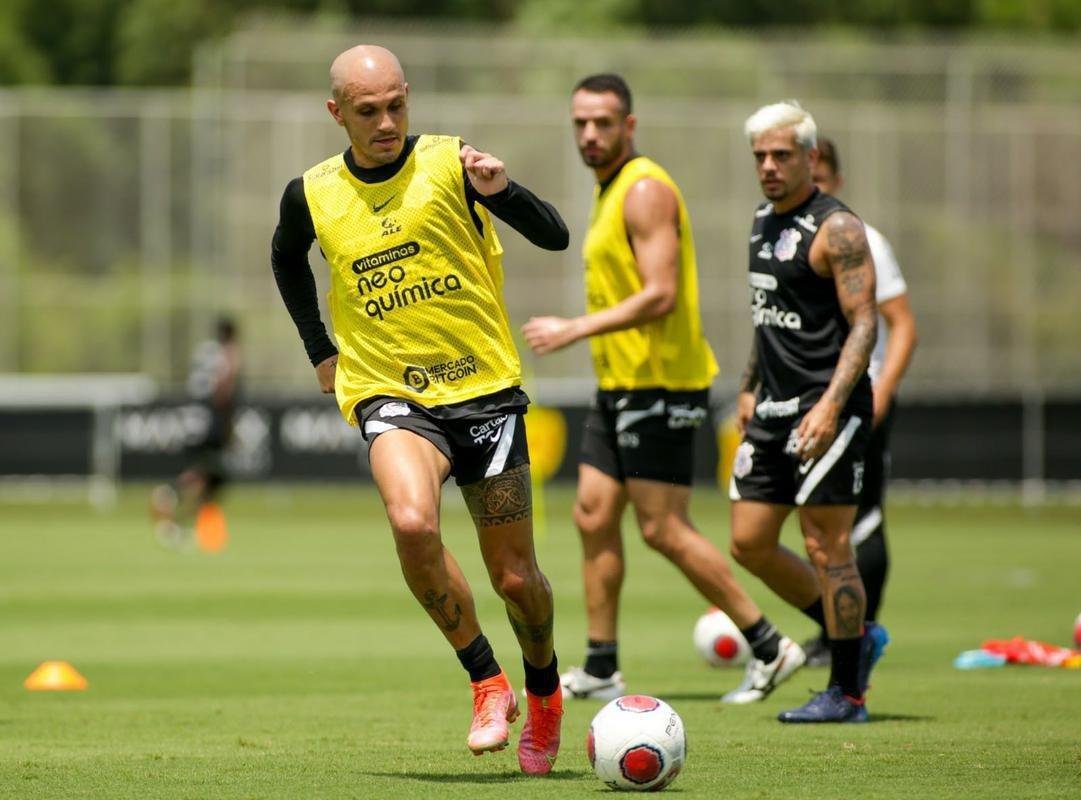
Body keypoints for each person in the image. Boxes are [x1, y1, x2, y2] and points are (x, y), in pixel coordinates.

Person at [269, 45, 568, 774]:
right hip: (390, 392)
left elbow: (554, 235)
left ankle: (545, 689)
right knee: (410, 522)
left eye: (396, 104)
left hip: (485, 392)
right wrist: (321, 350)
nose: (386, 122)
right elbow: (285, 259)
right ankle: (486, 681)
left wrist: (504, 192)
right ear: (336, 113)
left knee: (517, 579)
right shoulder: (310, 193)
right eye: (367, 111)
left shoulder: (450, 164)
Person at [521, 74, 805, 706]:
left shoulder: (644, 189)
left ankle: (769, 644)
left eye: (603, 122)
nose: (590, 135)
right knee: (592, 514)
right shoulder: (610, 189)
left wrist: (575, 328)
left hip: (663, 382)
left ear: (630, 125)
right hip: (620, 384)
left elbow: (661, 294)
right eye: (581, 123)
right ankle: (600, 665)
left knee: (663, 529)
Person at [728, 100, 889, 723]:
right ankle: (857, 634)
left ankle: (847, 691)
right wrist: (747, 383)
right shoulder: (761, 221)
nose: (768, 167)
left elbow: (865, 322)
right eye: (760, 156)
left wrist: (829, 407)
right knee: (749, 543)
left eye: (781, 155)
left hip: (830, 408)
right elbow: (767, 316)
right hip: (771, 407)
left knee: (827, 546)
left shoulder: (839, 229)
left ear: (811, 157)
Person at [801, 137, 919, 667]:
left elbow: (903, 325)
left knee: (859, 519)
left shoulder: (863, 238)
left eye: (822, 174)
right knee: (813, 524)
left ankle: (859, 633)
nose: (816, 185)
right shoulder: (785, 236)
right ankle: (835, 632)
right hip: (804, 399)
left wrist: (883, 393)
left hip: (854, 400)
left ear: (836, 180)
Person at [150, 315, 240, 552]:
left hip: (193, 416)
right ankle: (170, 493)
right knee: (211, 475)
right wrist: (227, 425)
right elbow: (224, 388)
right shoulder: (228, 353)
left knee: (207, 477)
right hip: (210, 420)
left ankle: (178, 518)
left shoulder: (204, 351)